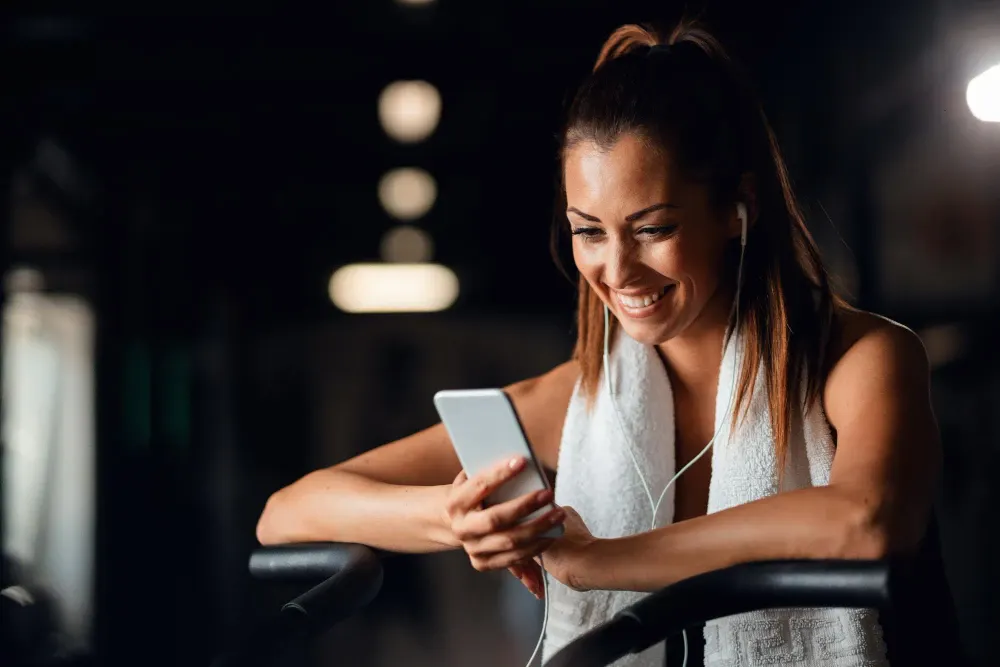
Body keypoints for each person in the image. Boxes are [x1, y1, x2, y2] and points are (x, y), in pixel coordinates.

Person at [256, 20, 963, 667]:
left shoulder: (859, 357)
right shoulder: (575, 397)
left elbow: (866, 521)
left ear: (737, 211)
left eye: (653, 227)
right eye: (589, 231)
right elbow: (288, 511)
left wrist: (600, 561)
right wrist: (457, 515)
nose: (617, 270)